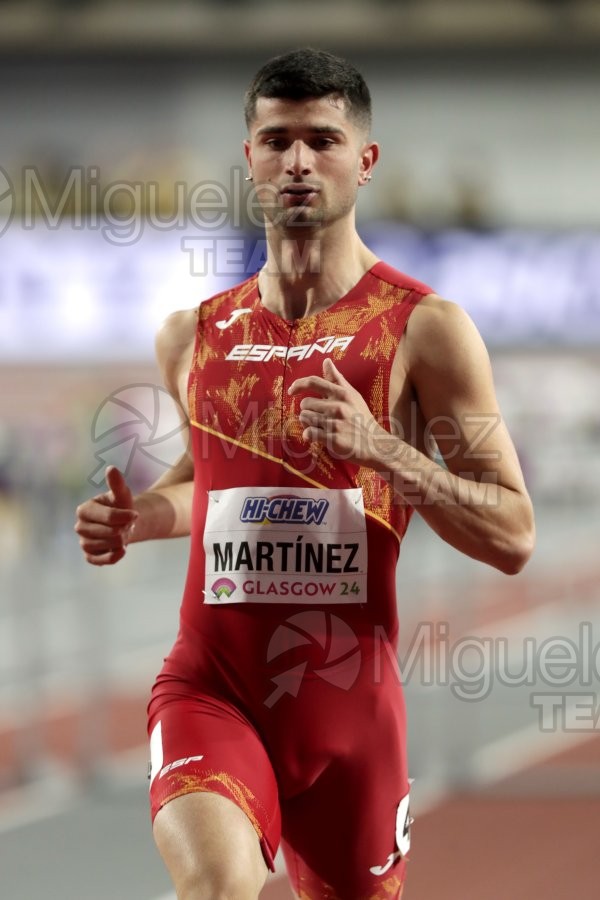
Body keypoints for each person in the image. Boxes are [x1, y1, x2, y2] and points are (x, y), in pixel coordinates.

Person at [75, 48, 535, 900]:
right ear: (247, 156)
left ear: (364, 161)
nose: (297, 161)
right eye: (276, 139)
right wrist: (142, 517)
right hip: (211, 687)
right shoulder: (194, 334)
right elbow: (204, 485)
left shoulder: (426, 330)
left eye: (322, 140)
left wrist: (385, 449)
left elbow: (513, 533)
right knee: (215, 888)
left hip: (350, 715)